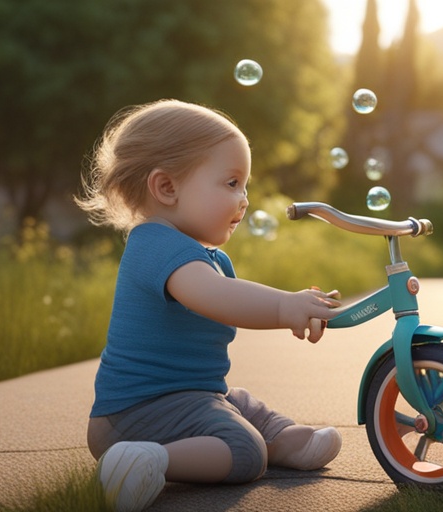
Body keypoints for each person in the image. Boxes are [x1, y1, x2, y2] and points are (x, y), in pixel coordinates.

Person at [75, 99, 343, 512]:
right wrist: (284, 306)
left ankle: (286, 440)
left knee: (241, 402)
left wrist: (290, 302)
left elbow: (223, 294)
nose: (245, 199)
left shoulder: (204, 255)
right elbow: (215, 297)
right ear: (167, 187)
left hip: (192, 395)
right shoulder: (153, 245)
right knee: (244, 449)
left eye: (245, 185)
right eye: (231, 183)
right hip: (134, 415)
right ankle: (145, 460)